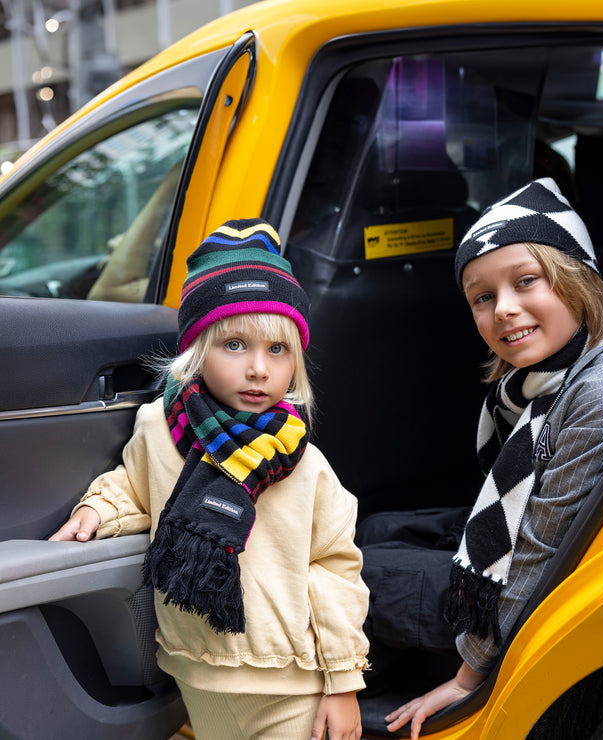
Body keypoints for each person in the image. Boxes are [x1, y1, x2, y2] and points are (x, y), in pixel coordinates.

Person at [362, 177, 603, 738]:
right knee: (375, 525)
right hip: (509, 566)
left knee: (347, 573)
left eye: (526, 282)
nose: (504, 309)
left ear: (581, 281)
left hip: (525, 605)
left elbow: (538, 557)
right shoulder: (552, 379)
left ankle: (359, 693)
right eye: (482, 297)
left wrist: (468, 676)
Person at [51, 219, 370, 740]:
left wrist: (342, 683)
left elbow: (336, 574)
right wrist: (96, 511)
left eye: (277, 350)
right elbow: (134, 488)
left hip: (291, 682)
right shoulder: (159, 429)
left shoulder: (304, 464)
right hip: (195, 671)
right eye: (235, 345)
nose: (258, 370)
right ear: (196, 350)